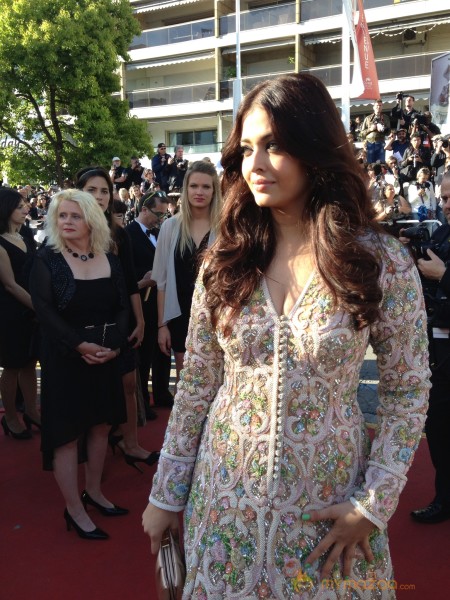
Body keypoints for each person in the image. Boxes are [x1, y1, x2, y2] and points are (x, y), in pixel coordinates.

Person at [142, 74, 430, 598]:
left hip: (328, 514)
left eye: (274, 145)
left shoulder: (379, 261)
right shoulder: (225, 261)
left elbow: (408, 389)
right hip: (224, 504)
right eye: (248, 147)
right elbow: (197, 385)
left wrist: (374, 503)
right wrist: (167, 493)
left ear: (314, 145)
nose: (255, 164)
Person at [30, 190, 129, 540]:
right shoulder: (47, 259)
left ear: (91, 219)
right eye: (62, 216)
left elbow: (122, 306)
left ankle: (95, 493)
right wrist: (79, 345)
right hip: (64, 358)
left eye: (75, 216)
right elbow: (43, 311)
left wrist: (113, 345)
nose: (67, 222)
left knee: (101, 427)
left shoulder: (109, 257)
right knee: (67, 437)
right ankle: (74, 509)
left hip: (104, 355)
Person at [74, 167, 159, 466]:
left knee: (128, 383)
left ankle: (130, 442)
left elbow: (127, 284)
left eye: (104, 191)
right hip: (82, 323)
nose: (99, 196)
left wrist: (141, 320)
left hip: (119, 319)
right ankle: (86, 444)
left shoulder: (118, 233)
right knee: (88, 388)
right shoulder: (69, 230)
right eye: (91, 190)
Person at [402, 171, 450, 523]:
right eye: (444, 199)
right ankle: (445, 498)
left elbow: (441, 276)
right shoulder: (443, 232)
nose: (446, 205)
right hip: (440, 341)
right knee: (438, 425)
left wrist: (445, 275)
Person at [153, 160, 221, 380]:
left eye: (205, 186)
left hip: (217, 317)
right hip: (179, 315)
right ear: (185, 189)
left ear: (214, 191)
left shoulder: (226, 228)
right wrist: (162, 326)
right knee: (186, 385)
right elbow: (161, 282)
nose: (199, 192)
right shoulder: (170, 227)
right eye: (193, 186)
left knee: (218, 383)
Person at [126, 191, 173, 412]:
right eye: (158, 213)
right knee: (144, 355)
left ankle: (162, 393)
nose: (161, 219)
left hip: (161, 301)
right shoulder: (128, 234)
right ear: (144, 209)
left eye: (164, 215)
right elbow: (124, 273)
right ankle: (142, 401)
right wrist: (143, 280)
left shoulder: (158, 233)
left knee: (163, 349)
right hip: (141, 304)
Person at [0, 188, 40, 439]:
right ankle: (11, 417)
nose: (26, 208)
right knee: (13, 366)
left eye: (25, 204)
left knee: (29, 363)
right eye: (19, 206)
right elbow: (10, 285)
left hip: (30, 311)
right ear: (6, 210)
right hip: (10, 313)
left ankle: (32, 412)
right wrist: (40, 306)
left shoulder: (25, 235)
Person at [360, 99, 388, 163]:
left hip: (381, 143)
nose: (378, 107)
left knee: (381, 164)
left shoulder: (386, 118)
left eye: (380, 105)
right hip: (370, 143)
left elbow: (388, 132)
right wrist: (370, 129)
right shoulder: (367, 118)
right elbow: (361, 134)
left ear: (382, 107)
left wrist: (383, 129)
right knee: (370, 163)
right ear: (373, 107)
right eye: (377, 105)